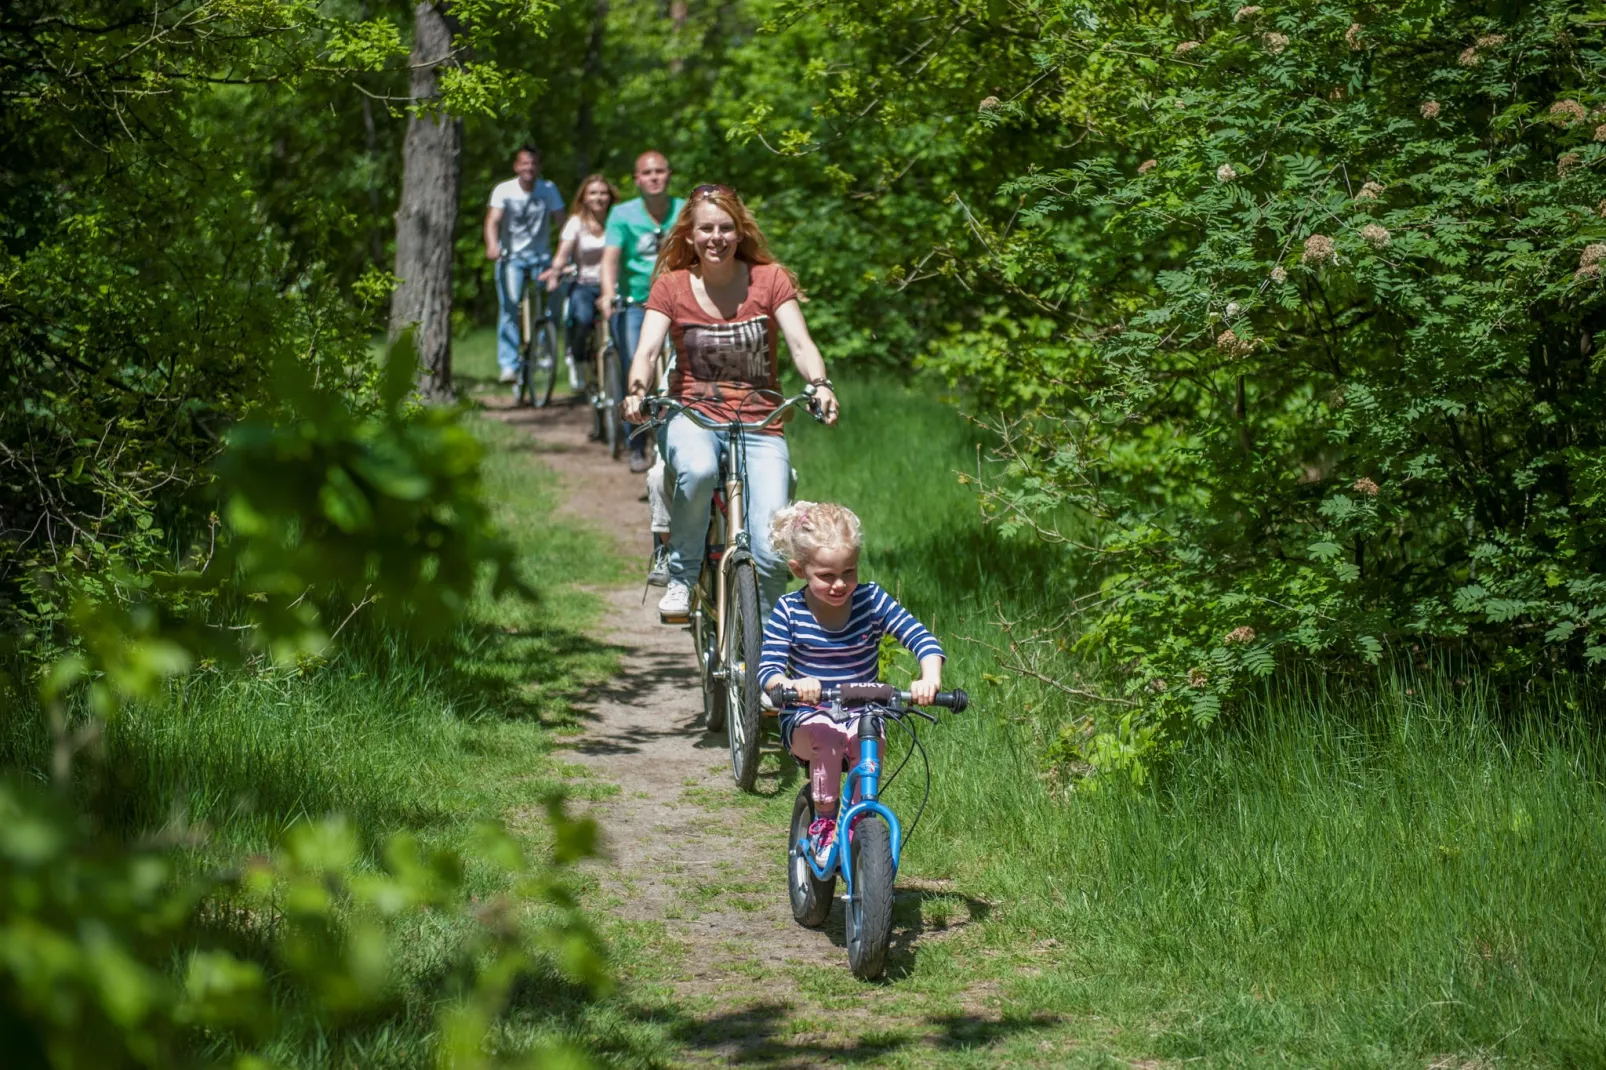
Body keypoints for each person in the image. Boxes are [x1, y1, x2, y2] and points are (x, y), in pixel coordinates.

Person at [621, 184, 840, 621]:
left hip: (760, 423)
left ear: (740, 234)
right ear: (689, 236)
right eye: (706, 229)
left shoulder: (769, 280)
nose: (715, 238)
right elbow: (646, 351)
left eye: (725, 228)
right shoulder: (672, 287)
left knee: (771, 547)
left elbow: (800, 343)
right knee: (699, 470)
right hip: (693, 417)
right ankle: (682, 577)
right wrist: (638, 390)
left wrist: (819, 383)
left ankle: (770, 651)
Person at [757, 502, 945, 865]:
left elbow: (923, 640)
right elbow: (768, 671)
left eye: (849, 571)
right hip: (808, 718)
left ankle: (860, 821)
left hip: (863, 712)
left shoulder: (871, 601)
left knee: (869, 740)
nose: (840, 584)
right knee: (826, 737)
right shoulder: (789, 611)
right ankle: (824, 823)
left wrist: (930, 678)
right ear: (800, 570)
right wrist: (792, 685)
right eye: (826, 575)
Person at [601, 151, 685, 473]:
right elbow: (610, 259)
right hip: (637, 302)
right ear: (637, 179)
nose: (654, 177)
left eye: (660, 171)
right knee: (636, 361)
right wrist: (609, 294)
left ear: (669, 175)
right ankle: (636, 441)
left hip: (680, 302)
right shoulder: (622, 214)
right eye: (647, 172)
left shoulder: (683, 210)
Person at [485, 145, 565, 386]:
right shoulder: (504, 190)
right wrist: (492, 246)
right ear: (516, 166)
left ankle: (542, 347)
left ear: (539, 167)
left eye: (533, 164)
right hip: (512, 258)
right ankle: (508, 365)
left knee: (554, 300)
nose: (529, 168)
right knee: (509, 306)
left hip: (541, 257)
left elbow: (563, 223)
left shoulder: (548, 190)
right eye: (524, 163)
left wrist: (567, 251)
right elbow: (492, 221)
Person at [545, 174, 618, 402]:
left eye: (603, 193)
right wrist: (555, 274)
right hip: (585, 284)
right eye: (593, 193)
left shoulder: (617, 220)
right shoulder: (575, 222)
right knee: (582, 320)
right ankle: (577, 360)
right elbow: (562, 254)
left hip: (614, 285)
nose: (599, 198)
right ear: (584, 198)